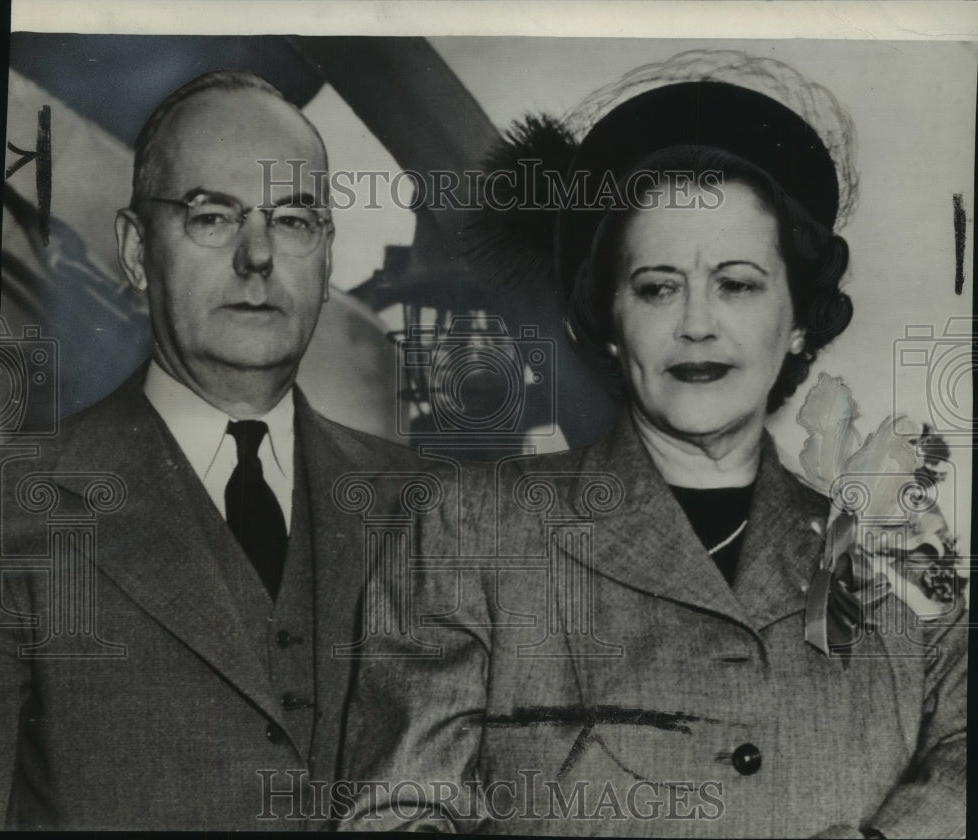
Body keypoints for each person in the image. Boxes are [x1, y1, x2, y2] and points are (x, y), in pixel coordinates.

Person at [338, 59, 967, 837]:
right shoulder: (471, 533)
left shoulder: (889, 561)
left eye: (737, 283)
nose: (697, 323)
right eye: (657, 286)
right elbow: (400, 812)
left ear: (799, 318)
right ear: (605, 320)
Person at [0, 70, 428, 830]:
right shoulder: (15, 510)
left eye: (292, 220)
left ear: (325, 259)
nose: (257, 256)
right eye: (212, 216)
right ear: (132, 250)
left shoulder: (429, 511)